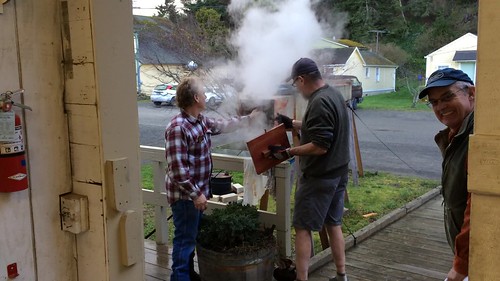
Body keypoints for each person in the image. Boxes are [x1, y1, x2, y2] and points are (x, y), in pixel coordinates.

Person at [165, 77, 259, 281]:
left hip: (194, 194)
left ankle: (188, 274)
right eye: (204, 92)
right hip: (185, 197)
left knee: (190, 237)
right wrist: (197, 195)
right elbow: (178, 170)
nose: (207, 95)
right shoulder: (178, 128)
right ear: (196, 97)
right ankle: (179, 277)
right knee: (185, 241)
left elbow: (223, 125)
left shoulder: (201, 120)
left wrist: (249, 119)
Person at [273, 58, 350, 281]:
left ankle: (301, 278)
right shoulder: (333, 94)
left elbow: (319, 146)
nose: (296, 88)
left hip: (319, 177)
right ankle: (341, 275)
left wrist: (288, 152)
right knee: (333, 223)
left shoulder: (319, 102)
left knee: (303, 228)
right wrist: (293, 124)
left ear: (301, 79)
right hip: (338, 173)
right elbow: (321, 129)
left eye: (296, 84)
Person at [418, 68, 475, 281]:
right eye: (434, 102)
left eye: (448, 97)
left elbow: (477, 206)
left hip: (480, 256)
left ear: (471, 93)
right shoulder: (456, 133)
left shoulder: (477, 135)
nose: (441, 107)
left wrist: (461, 266)